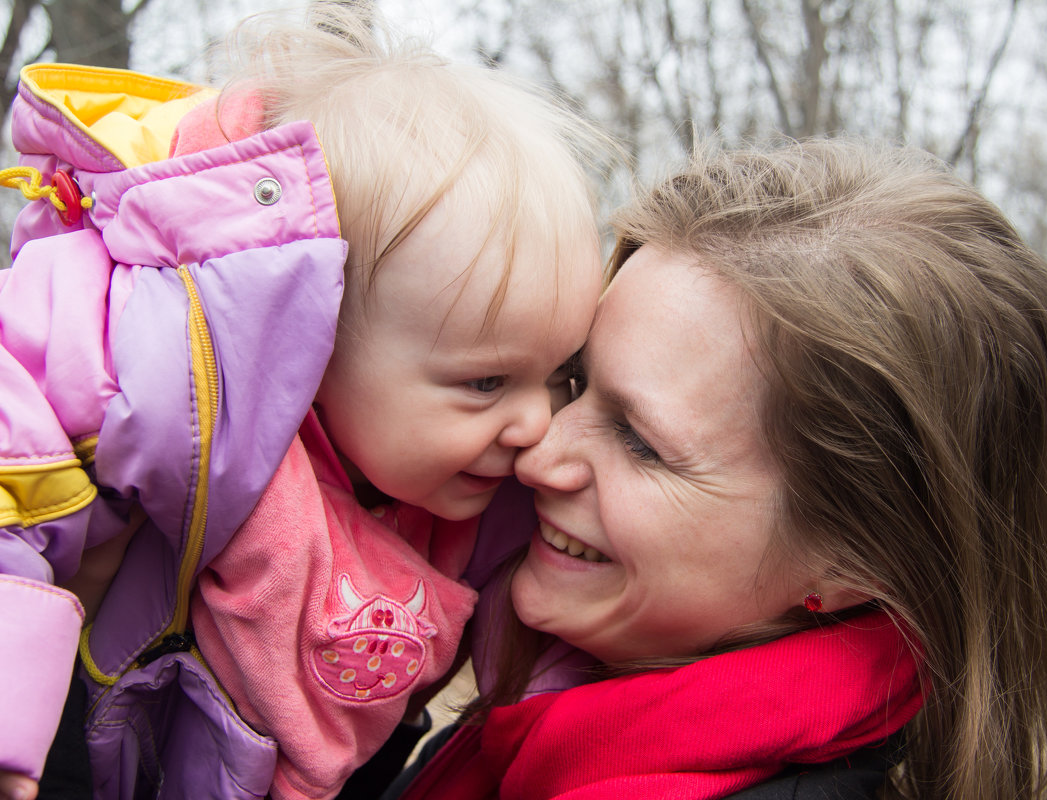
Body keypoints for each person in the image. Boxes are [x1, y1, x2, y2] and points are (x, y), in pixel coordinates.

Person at [0, 4, 608, 799]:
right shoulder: (162, 362)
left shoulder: (489, 501)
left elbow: (539, 647)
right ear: (312, 341)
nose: (537, 426)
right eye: (486, 382)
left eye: (559, 374)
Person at [389, 138, 1047, 800]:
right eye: (571, 381)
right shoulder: (561, 710)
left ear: (854, 563)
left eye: (640, 442)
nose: (540, 454)